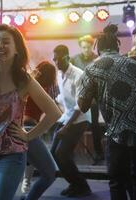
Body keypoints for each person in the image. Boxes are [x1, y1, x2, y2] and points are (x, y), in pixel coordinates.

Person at [0, 24, 61, 200]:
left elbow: (54, 112)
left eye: (6, 42)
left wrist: (28, 136)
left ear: (17, 48)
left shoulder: (24, 80)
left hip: (12, 152)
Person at [77, 24, 136, 200]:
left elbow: (83, 105)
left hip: (119, 134)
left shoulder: (92, 69)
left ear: (98, 49)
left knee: (118, 183)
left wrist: (90, 91)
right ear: (117, 47)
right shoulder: (134, 64)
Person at [50, 44, 92, 197]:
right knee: (54, 153)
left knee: (62, 153)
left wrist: (66, 127)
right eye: (54, 60)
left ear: (67, 57)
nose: (56, 63)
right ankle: (74, 184)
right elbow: (63, 97)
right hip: (67, 116)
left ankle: (82, 186)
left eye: (59, 59)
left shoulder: (78, 75)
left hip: (79, 119)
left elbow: (79, 105)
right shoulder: (60, 74)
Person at [21, 61, 59, 200]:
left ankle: (26, 191)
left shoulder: (30, 86)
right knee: (49, 174)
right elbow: (55, 113)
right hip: (30, 129)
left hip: (23, 127)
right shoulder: (44, 89)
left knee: (27, 166)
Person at [71, 34, 104, 163]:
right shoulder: (74, 59)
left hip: (94, 97)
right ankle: (70, 151)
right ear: (80, 47)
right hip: (79, 95)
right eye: (83, 47)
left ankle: (98, 153)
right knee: (74, 122)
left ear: (92, 46)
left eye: (88, 47)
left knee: (94, 124)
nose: (86, 49)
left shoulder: (97, 59)